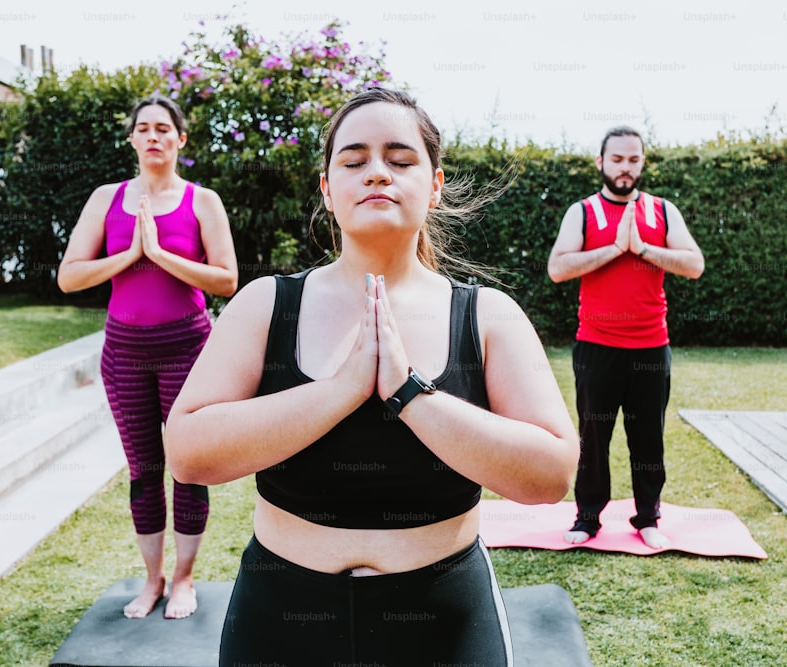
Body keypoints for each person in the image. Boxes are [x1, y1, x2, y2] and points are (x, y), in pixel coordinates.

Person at [164, 87, 578, 665]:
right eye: (354, 161)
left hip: (443, 618)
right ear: (329, 191)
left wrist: (408, 391)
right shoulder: (266, 304)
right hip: (282, 614)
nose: (377, 173)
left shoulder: (487, 316)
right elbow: (187, 452)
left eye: (401, 160)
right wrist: (340, 389)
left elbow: (551, 475)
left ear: (434, 186)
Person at [57, 94, 238, 619]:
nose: (154, 136)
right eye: (144, 129)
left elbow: (227, 279)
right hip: (125, 354)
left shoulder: (203, 201)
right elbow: (69, 276)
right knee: (143, 470)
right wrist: (130, 255)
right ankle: (153, 579)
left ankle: (184, 580)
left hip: (187, 348)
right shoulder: (107, 199)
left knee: (188, 466)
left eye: (164, 128)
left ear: (181, 140)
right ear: (133, 139)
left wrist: (161, 256)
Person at [547, 126, 705, 550]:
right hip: (597, 345)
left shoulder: (662, 211)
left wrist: (643, 249)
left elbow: (694, 264)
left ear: (642, 163)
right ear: (601, 162)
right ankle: (587, 517)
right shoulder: (582, 212)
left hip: (651, 346)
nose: (625, 167)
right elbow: (557, 268)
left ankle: (648, 515)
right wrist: (615, 248)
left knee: (648, 436)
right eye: (617, 159)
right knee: (593, 436)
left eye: (633, 160)